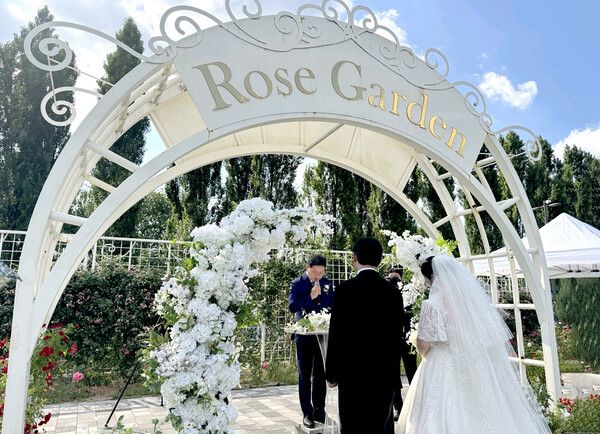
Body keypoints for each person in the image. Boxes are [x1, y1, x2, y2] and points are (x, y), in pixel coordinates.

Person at [397, 255, 551, 434]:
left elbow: (423, 343)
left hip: (442, 360)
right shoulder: (470, 302)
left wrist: (426, 355)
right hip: (472, 359)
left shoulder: (431, 304)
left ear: (432, 277)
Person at [326, 238, 404, 434]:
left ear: (354, 257)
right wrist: (394, 376)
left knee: (352, 425)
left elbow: (336, 334)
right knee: (381, 426)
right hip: (384, 374)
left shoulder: (344, 290)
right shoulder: (393, 293)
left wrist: (332, 372)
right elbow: (397, 338)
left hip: (351, 374)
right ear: (380, 259)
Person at [289, 254, 334, 429]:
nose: (318, 276)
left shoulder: (327, 283)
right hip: (304, 336)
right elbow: (292, 306)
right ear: (308, 268)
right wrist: (311, 296)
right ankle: (307, 413)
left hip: (322, 335)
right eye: (315, 272)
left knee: (320, 375)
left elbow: (332, 305)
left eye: (322, 273)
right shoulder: (297, 283)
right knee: (305, 376)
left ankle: (319, 411)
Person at [385, 268, 418, 422]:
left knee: (412, 372)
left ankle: (416, 404)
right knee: (393, 376)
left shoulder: (410, 293)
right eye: (391, 278)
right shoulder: (385, 293)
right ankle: (398, 407)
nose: (393, 281)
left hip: (407, 339)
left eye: (396, 278)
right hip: (391, 341)